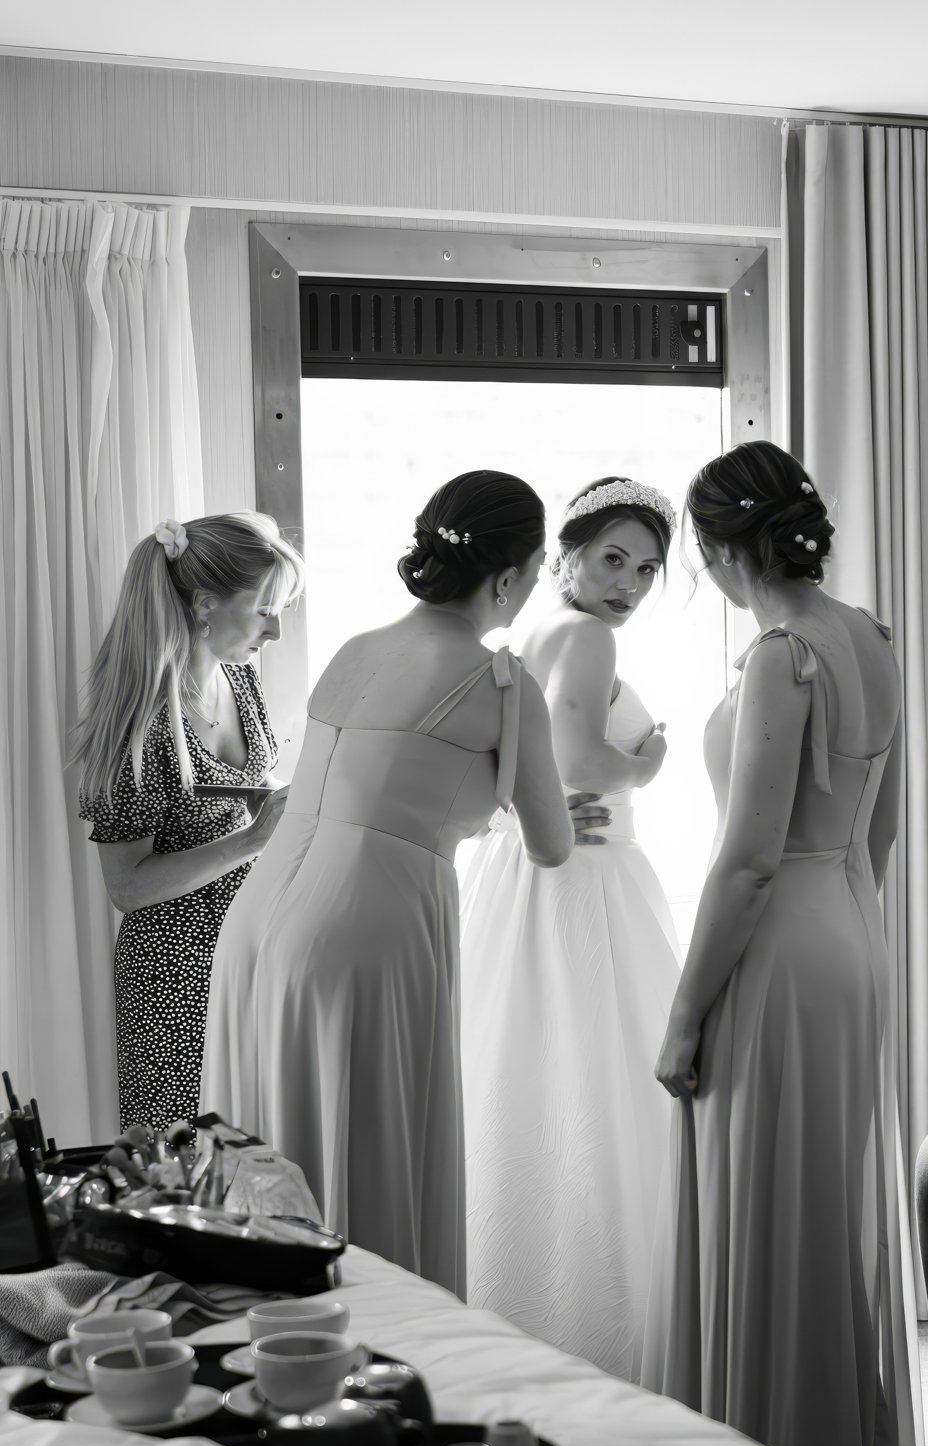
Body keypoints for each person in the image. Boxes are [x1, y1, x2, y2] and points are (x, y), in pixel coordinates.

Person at [204, 471, 589, 1293]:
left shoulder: (354, 649)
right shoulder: (502, 684)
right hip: (365, 927)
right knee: (365, 1157)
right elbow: (553, 842)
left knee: (270, 1155)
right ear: (511, 576)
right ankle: (377, 1350)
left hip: (258, 918)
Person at [650, 440, 919, 1446]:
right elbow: (883, 835)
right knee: (817, 1202)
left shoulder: (779, 654)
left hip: (783, 946)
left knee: (767, 1201)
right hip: (853, 931)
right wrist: (851, 924)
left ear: (719, 550)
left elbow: (749, 860)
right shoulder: (873, 637)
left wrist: (683, 1014)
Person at [461, 476, 680, 1383]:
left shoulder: (528, 630)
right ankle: (606, 1324)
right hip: (584, 877)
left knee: (530, 1080)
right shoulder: (586, 634)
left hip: (520, 873)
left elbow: (522, 761)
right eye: (612, 558)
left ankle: (516, 1305)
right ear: (569, 554)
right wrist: (653, 759)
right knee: (605, 1091)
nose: (627, 582)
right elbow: (581, 759)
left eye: (647, 568)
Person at [71, 514, 303, 1131]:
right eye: (264, 611)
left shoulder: (240, 681)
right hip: (174, 979)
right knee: (185, 1177)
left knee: (254, 1158)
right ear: (205, 603)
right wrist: (253, 839)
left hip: (247, 957)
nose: (277, 631)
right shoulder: (139, 724)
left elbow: (253, 790)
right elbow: (127, 886)